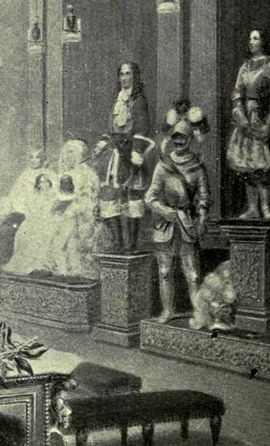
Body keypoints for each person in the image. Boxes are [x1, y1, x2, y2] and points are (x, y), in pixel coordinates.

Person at [145, 120, 210, 327]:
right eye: (175, 138)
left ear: (190, 139)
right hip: (165, 225)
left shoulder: (197, 167)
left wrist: (202, 216)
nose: (179, 142)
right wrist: (165, 211)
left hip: (187, 224)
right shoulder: (163, 166)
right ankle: (167, 310)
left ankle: (199, 314)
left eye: (183, 138)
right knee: (164, 272)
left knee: (193, 274)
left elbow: (204, 197)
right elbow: (150, 197)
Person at [95, 62, 152, 252]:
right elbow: (110, 128)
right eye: (122, 74)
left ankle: (131, 243)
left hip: (130, 152)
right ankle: (117, 241)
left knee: (132, 196)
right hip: (115, 154)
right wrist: (103, 142)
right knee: (110, 194)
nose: (125, 78)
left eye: (128, 74)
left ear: (135, 77)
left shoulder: (139, 101)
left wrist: (136, 152)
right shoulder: (116, 100)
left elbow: (142, 128)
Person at [226, 29, 270, 219]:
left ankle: (266, 207)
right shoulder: (245, 66)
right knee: (246, 164)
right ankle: (253, 208)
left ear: (263, 41)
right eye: (250, 38)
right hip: (245, 118)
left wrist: (268, 124)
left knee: (261, 164)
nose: (251, 42)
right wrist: (239, 113)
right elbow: (237, 91)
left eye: (255, 38)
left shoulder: (268, 65)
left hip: (262, 116)